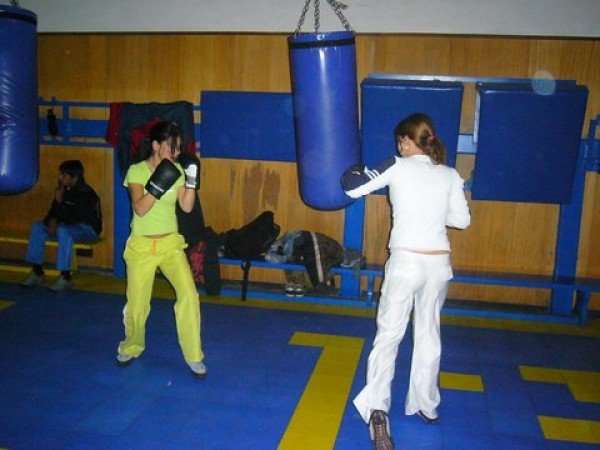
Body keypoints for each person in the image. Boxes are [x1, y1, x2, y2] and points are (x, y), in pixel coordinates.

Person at [341, 113, 471, 449]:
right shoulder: (450, 174)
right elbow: (461, 220)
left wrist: (351, 168)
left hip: (406, 263)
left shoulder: (395, 165)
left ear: (407, 141)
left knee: (388, 336)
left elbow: (352, 187)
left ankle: (377, 408)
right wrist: (432, 207)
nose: (399, 145)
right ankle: (426, 404)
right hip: (437, 266)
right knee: (429, 334)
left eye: (401, 140)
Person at [115, 120, 207, 378]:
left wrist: (191, 182)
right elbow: (140, 209)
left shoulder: (176, 170)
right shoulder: (136, 171)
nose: (175, 153)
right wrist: (157, 184)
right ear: (156, 146)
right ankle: (131, 346)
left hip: (170, 245)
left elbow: (186, 207)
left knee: (189, 295)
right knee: (138, 304)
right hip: (142, 245)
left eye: (178, 148)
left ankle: (194, 355)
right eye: (171, 147)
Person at [21, 160, 102, 292]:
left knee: (64, 231)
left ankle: (65, 277)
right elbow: (52, 212)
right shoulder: (63, 190)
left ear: (74, 177)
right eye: (61, 174)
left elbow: (75, 218)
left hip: (87, 229)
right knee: (38, 227)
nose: (60, 178)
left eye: (64, 175)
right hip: (65, 226)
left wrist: (60, 202)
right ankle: (37, 272)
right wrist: (52, 221)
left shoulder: (88, 194)